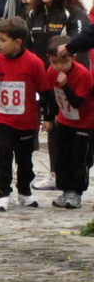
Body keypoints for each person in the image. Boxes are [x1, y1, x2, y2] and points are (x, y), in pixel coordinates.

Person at [0, 17, 53, 211]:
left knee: (25, 159)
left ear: (18, 42)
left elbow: (46, 91)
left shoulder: (34, 63)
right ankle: (3, 193)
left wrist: (48, 116)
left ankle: (24, 192)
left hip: (27, 120)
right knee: (3, 155)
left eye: (3, 40)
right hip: (3, 118)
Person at [26, 0, 90, 191]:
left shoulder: (73, 13)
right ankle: (56, 174)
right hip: (47, 80)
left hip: (70, 79)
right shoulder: (33, 14)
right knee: (52, 123)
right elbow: (29, 46)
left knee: (74, 127)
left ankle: (77, 175)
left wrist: (73, 78)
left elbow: (80, 48)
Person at [46, 36, 94, 210]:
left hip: (84, 123)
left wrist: (65, 85)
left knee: (78, 158)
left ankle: (76, 192)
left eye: (64, 61)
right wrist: (50, 117)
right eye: (54, 62)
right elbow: (50, 97)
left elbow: (77, 103)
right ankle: (65, 189)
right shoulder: (51, 72)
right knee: (62, 157)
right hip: (65, 120)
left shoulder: (82, 74)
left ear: (73, 57)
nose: (59, 66)